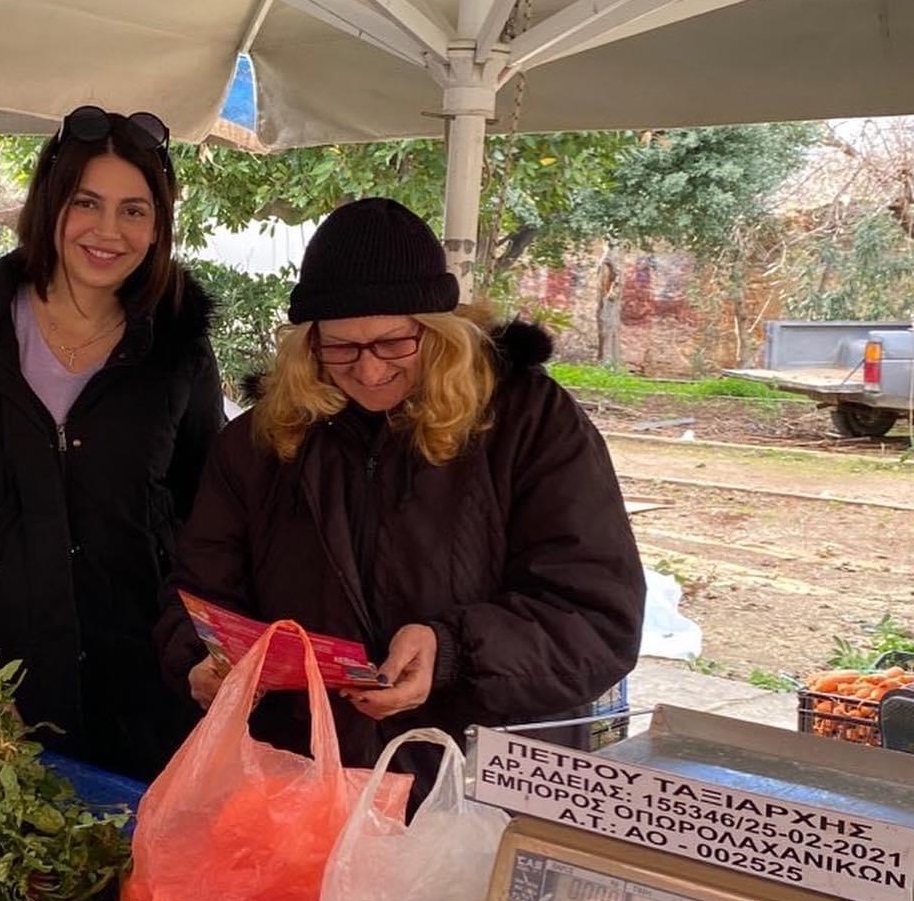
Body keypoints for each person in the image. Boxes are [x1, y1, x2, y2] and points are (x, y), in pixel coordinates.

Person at [156, 197, 644, 801]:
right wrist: (198, 662)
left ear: (439, 332)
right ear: (307, 345)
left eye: (393, 343)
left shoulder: (528, 422)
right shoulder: (257, 443)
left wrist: (452, 650)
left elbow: (599, 621)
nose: (368, 371)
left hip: (469, 790)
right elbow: (198, 595)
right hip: (303, 788)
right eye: (340, 348)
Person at [0, 106, 223, 778]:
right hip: (6, 682)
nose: (108, 231)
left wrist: (196, 649)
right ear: (49, 205)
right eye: (86, 203)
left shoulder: (177, 339)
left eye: (135, 210)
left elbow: (207, 509)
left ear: (159, 225)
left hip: (149, 687)